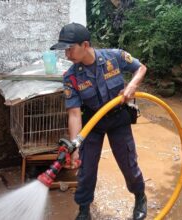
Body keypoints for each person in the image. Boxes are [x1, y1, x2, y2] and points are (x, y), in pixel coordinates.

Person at [50, 23, 147, 220]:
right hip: (92, 122)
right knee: (86, 168)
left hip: (118, 118)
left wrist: (132, 85)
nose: (67, 54)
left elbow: (141, 68)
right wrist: (75, 149)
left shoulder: (115, 57)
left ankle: (140, 197)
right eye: (65, 50)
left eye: (70, 48)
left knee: (128, 163)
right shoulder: (71, 77)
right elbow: (75, 114)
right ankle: (84, 209)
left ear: (85, 45)